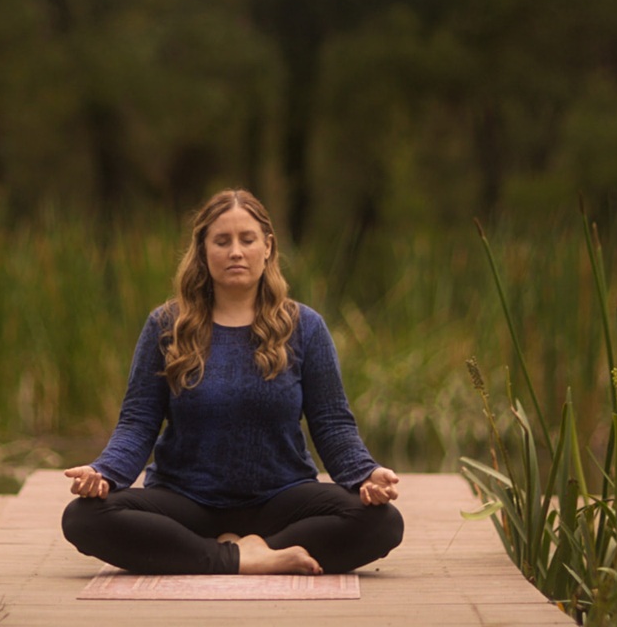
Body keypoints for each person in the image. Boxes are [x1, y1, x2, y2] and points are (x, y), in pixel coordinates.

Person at [61, 189, 404, 575]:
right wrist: (103, 473)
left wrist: (366, 474)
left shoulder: (305, 326)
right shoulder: (166, 325)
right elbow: (138, 422)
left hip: (282, 500)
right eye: (222, 241)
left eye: (247, 240)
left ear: (268, 247)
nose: (235, 252)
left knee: (383, 521)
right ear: (203, 250)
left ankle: (245, 550)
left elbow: (332, 424)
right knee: (83, 518)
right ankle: (246, 559)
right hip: (186, 500)